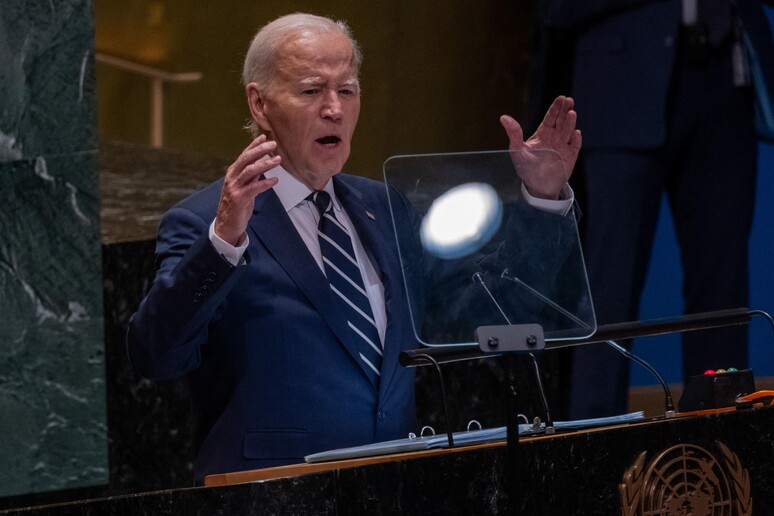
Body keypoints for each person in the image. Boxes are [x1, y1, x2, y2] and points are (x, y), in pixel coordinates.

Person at [126, 12, 581, 482]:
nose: (335, 109)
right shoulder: (206, 222)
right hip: (270, 494)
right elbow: (157, 356)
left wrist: (543, 201)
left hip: (391, 487)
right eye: (311, 91)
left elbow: (484, 310)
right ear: (259, 105)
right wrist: (223, 242)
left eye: (347, 90)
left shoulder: (385, 209)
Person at [539, 0, 774, 418]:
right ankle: (591, 452)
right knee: (609, 285)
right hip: (621, 84)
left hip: (725, 83)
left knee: (722, 294)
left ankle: (720, 457)